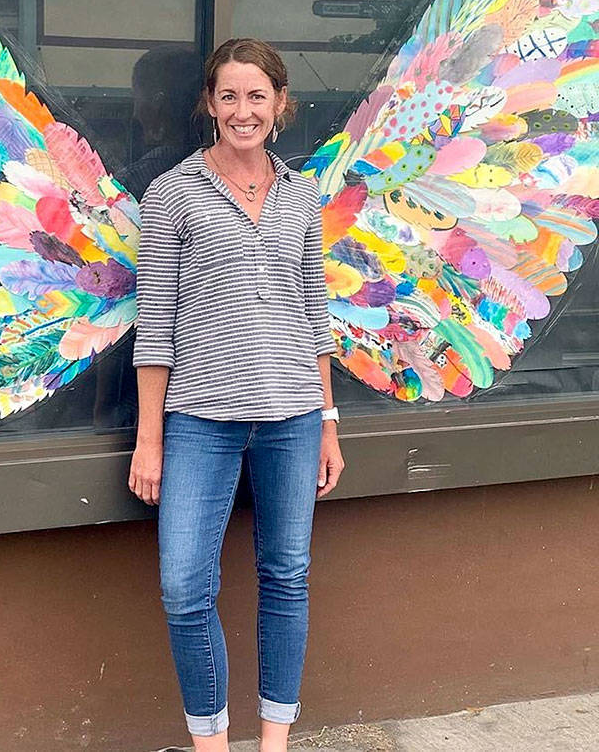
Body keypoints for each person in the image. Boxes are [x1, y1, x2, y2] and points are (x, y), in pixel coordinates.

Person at [128, 37, 344, 752]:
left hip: (293, 416)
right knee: (185, 588)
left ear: (281, 105)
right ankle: (213, 744)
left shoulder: (301, 194)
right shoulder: (173, 194)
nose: (242, 110)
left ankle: (275, 742)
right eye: (229, 96)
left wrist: (330, 422)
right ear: (209, 104)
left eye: (257, 96)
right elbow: (155, 327)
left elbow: (315, 311)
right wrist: (150, 439)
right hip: (200, 419)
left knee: (287, 577)